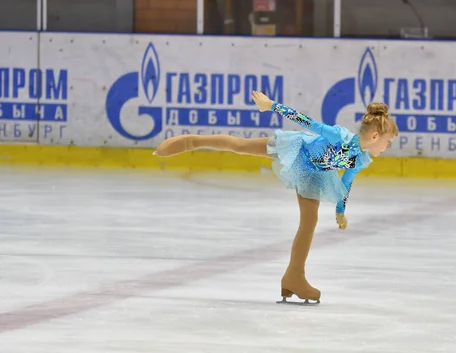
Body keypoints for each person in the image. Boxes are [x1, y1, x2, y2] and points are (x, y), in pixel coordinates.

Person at [153, 90, 399, 304]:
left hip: (314, 174)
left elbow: (346, 181)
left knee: (309, 222)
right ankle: (191, 141)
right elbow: (307, 121)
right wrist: (271, 106)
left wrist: (340, 211)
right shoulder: (339, 136)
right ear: (376, 136)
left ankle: (294, 276)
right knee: (241, 146)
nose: (387, 148)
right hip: (297, 149)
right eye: (388, 143)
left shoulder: (361, 158)